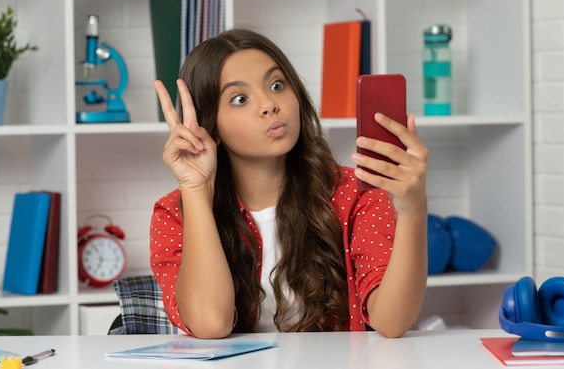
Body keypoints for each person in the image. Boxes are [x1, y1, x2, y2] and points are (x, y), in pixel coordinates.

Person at [150, 28, 429, 339]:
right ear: (209, 126)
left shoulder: (355, 194)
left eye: (277, 84)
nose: (270, 104)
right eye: (240, 98)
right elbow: (210, 324)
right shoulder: (173, 213)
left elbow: (391, 322)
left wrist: (414, 207)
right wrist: (196, 190)